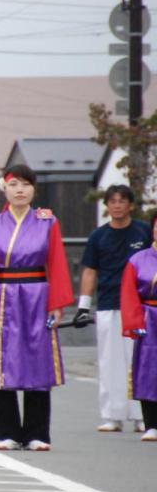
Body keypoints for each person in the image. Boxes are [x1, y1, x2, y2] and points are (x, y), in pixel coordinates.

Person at [0, 166, 73, 452]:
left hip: (37, 294)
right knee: (4, 361)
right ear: (4, 188)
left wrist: (56, 304)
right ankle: (6, 431)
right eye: (14, 184)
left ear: (34, 189)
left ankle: (38, 433)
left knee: (38, 359)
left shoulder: (47, 222)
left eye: (25, 184)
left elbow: (57, 263)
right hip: (2, 298)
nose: (20, 190)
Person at [75, 185, 148, 433]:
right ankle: (112, 415)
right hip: (108, 303)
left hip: (140, 305)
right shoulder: (98, 236)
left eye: (122, 201)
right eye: (112, 201)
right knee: (109, 361)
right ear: (107, 206)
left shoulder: (143, 232)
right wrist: (84, 305)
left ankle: (142, 416)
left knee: (139, 359)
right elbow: (89, 270)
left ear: (130, 205)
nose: (117, 205)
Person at [118, 216, 157, 442]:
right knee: (148, 370)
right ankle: (152, 423)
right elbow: (129, 295)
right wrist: (134, 323)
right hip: (149, 318)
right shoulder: (138, 260)